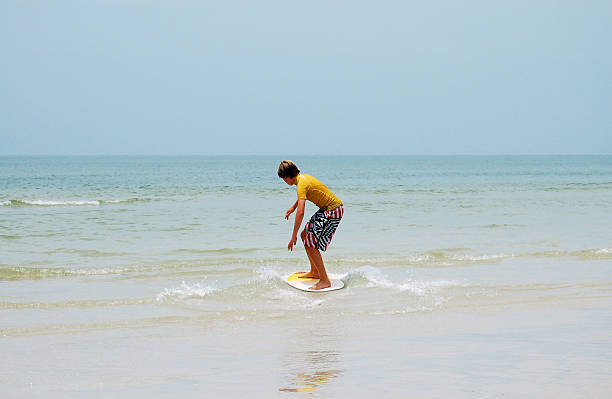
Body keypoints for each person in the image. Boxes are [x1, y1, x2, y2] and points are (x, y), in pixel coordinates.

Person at [277, 160, 344, 290]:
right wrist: (292, 208)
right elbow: (303, 196)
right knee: (305, 235)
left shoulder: (301, 183)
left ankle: (324, 281)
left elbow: (301, 213)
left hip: (333, 210)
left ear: (286, 176)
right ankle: (314, 272)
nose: (284, 182)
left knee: (310, 242)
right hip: (326, 209)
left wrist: (293, 236)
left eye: (283, 179)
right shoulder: (302, 179)